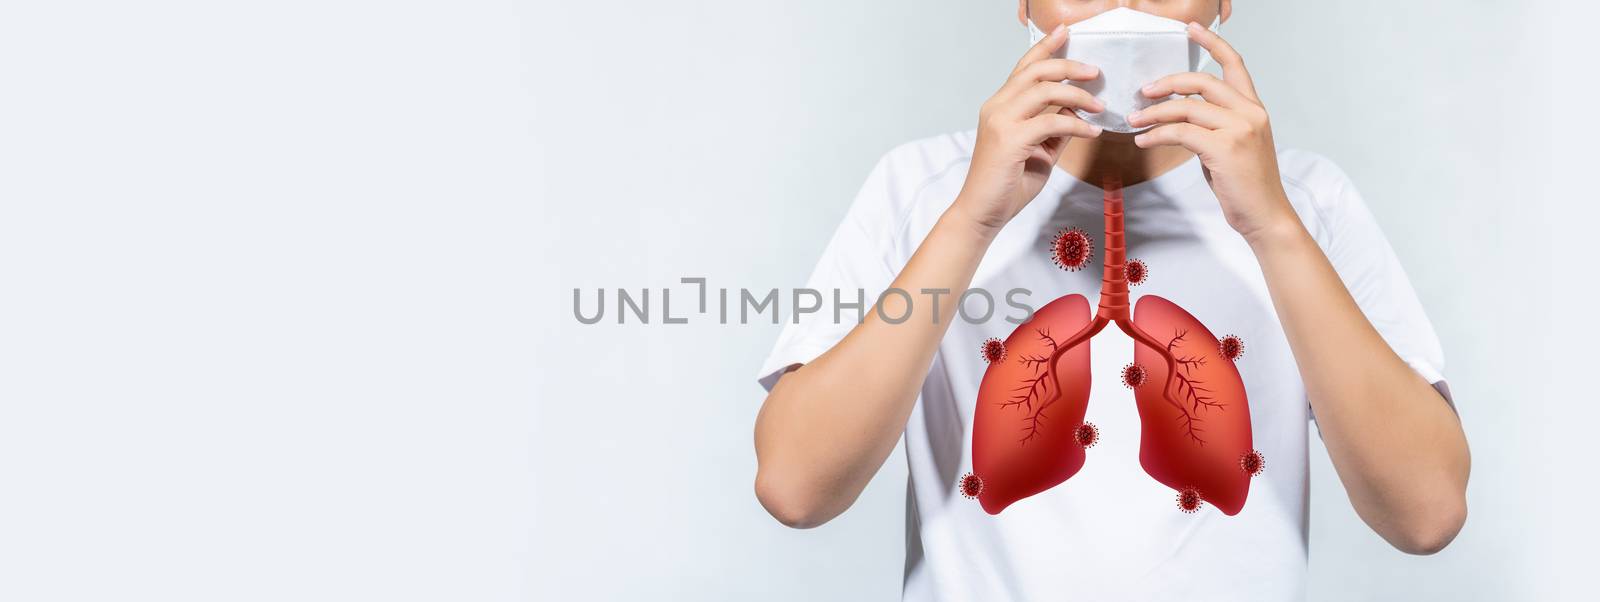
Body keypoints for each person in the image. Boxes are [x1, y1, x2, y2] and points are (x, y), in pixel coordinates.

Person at [752, 0, 1470, 599]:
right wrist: (973, 217)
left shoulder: (1308, 205)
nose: (1123, 5)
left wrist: (1270, 226)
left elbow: (1426, 513)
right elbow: (796, 487)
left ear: (1220, 4)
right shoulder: (922, 191)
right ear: (1026, 7)